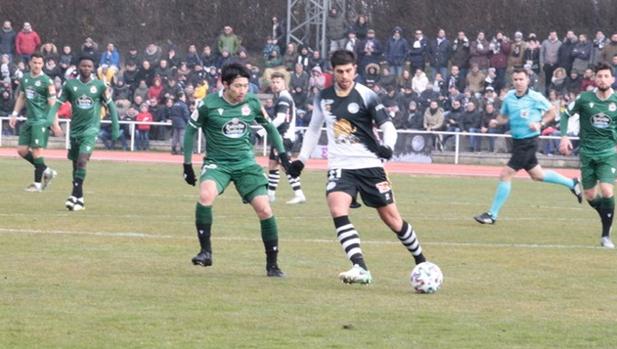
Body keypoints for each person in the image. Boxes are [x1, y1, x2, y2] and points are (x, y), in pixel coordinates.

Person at [287, 50, 428, 285]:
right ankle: (360, 267)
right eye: (340, 71)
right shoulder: (323, 98)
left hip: (370, 165)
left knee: (393, 220)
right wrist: (302, 159)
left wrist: (388, 146)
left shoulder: (367, 95)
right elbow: (313, 129)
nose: (344, 76)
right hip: (340, 166)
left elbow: (388, 127)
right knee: (337, 208)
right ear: (333, 71)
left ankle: (421, 260)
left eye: (348, 71)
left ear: (355, 70)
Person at [182, 63, 291, 277]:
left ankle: (273, 265)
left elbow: (270, 127)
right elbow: (189, 132)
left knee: (265, 210)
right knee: (205, 196)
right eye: (238, 86)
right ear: (225, 84)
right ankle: (205, 252)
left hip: (246, 165)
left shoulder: (252, 102)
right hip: (217, 164)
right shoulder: (208, 104)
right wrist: (187, 165)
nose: (243, 91)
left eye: (246, 86)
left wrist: (284, 156)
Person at [474, 67, 582, 225]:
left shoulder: (535, 97)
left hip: (529, 141)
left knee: (505, 174)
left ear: (527, 80)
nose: (518, 82)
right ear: (513, 81)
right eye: (516, 79)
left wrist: (540, 123)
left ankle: (492, 215)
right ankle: (572, 183)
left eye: (521, 79)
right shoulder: (509, 97)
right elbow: (503, 117)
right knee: (538, 175)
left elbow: (552, 112)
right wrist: (496, 122)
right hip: (517, 142)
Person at [47, 55, 119, 211]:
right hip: (74, 131)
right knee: (75, 165)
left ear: (93, 68)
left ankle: (73, 194)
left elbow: (111, 107)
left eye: (89, 66)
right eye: (83, 66)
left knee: (82, 160)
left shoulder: (100, 86)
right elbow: (57, 105)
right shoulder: (70, 85)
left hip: (91, 130)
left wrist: (115, 127)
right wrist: (49, 121)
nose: (86, 68)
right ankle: (79, 199)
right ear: (78, 67)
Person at [559, 63, 617, 248]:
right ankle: (606, 215)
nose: (603, 79)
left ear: (612, 79)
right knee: (591, 195)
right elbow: (565, 114)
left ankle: (606, 235)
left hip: (608, 153)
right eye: (599, 76)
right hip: (587, 153)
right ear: (595, 79)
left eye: (606, 76)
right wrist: (564, 136)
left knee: (607, 191)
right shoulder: (584, 98)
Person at [8, 52, 61, 192]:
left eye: (39, 63)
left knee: (37, 151)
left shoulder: (47, 81)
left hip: (41, 121)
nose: (37, 65)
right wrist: (14, 114)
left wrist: (55, 124)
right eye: (34, 62)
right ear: (30, 63)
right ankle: (47, 170)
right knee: (22, 150)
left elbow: (53, 104)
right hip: (29, 120)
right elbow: (21, 97)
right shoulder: (25, 78)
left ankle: (37, 184)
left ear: (42, 64)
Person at [266, 72, 306, 204]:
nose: (275, 84)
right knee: (272, 164)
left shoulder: (283, 97)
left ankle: (299, 194)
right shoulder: (281, 96)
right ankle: (270, 195)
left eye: (278, 82)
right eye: (273, 82)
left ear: (284, 83)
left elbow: (281, 118)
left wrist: (263, 130)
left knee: (285, 165)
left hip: (284, 136)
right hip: (280, 135)